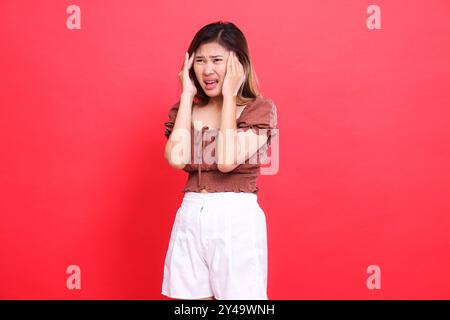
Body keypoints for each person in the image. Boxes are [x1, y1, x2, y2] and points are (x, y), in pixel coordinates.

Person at [161, 21, 278, 300]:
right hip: (191, 215)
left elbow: (226, 161)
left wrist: (229, 96)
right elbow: (176, 159)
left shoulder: (259, 109)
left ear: (239, 64)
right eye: (199, 60)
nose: (207, 70)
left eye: (217, 60)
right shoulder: (186, 109)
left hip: (235, 218)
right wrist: (187, 96)